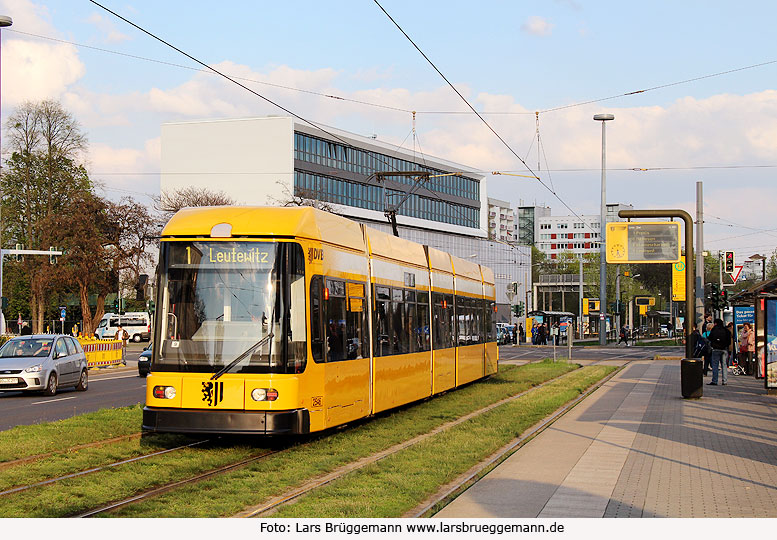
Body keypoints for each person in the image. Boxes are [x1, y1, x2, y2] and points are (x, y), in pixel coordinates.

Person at [708, 319, 731, 386]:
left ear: (715, 323)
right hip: (724, 349)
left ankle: (715, 381)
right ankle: (724, 381)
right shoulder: (726, 330)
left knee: (715, 365)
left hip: (715, 349)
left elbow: (710, 338)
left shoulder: (714, 330)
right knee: (724, 365)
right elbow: (729, 341)